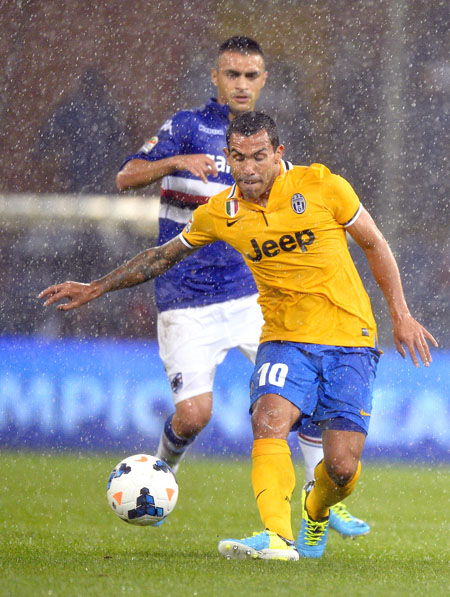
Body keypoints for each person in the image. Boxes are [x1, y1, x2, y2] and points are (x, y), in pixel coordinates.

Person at [39, 111, 437, 561]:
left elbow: (374, 243)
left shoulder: (324, 186)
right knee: (268, 419)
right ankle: (277, 538)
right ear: (228, 157)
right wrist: (97, 286)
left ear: (278, 154)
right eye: (238, 157)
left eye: (259, 156)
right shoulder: (222, 211)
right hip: (284, 337)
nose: (248, 168)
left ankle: (316, 508)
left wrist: (400, 315)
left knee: (342, 469)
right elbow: (161, 257)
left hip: (351, 337)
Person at [115, 36, 368, 537]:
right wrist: (175, 163)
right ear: (215, 76)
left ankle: (326, 501)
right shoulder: (186, 127)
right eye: (233, 74)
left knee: (307, 395)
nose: (242, 84)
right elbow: (126, 176)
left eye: (252, 76)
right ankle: (164, 474)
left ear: (264, 80)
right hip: (185, 296)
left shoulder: (261, 140)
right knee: (192, 417)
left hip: (250, 296)